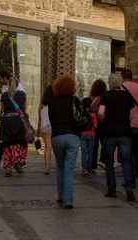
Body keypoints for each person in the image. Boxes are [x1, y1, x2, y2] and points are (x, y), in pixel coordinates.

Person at [45, 75, 85, 209]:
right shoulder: (75, 100)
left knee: (60, 166)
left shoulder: (52, 102)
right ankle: (68, 201)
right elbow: (82, 117)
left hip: (57, 136)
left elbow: (51, 120)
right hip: (73, 136)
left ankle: (61, 195)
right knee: (69, 169)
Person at [97, 73, 137, 200]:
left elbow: (100, 112)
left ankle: (112, 190)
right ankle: (129, 186)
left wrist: (104, 121)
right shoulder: (128, 96)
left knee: (109, 161)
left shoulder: (106, 95)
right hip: (125, 132)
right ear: (121, 84)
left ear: (109, 84)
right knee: (126, 160)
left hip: (110, 132)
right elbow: (131, 115)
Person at [0, 70, 28, 176]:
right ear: (17, 85)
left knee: (7, 144)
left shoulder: (5, 95)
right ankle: (17, 161)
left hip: (7, 121)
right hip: (19, 121)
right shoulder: (22, 94)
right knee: (18, 142)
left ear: (9, 85)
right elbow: (24, 108)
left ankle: (8, 169)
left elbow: (3, 109)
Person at [80, 79, 106, 175]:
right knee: (104, 142)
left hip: (91, 120)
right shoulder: (103, 98)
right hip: (101, 120)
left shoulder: (90, 98)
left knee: (94, 145)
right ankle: (102, 160)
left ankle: (93, 166)